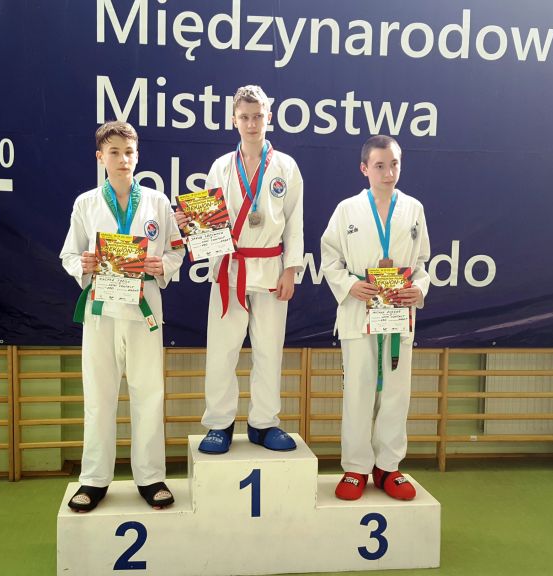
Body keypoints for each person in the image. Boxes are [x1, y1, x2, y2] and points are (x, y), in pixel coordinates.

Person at [60, 121, 184, 512]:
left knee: (149, 394)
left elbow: (177, 250)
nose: (122, 159)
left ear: (138, 155)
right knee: (98, 396)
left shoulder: (158, 203)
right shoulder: (86, 203)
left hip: (144, 310)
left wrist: (161, 265)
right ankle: (94, 479)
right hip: (101, 311)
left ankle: (151, 477)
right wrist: (83, 264)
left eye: (129, 152)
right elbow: (68, 255)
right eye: (114, 152)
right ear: (101, 157)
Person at [179, 85, 304, 454]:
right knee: (222, 350)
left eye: (258, 116)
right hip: (229, 268)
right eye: (245, 117)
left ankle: (264, 424)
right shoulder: (221, 167)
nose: (252, 123)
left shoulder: (286, 167)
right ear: (234, 120)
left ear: (269, 117)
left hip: (271, 267)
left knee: (269, 350)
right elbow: (210, 224)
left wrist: (291, 269)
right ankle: (219, 424)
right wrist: (192, 227)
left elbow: (295, 222)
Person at [320, 135, 430, 501]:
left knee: (397, 393)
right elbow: (330, 259)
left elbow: (422, 264)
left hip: (398, 311)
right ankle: (355, 467)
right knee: (358, 390)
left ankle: (388, 467)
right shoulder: (347, 210)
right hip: (359, 310)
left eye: (394, 164)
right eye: (380, 166)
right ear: (364, 168)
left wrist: (419, 289)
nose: (388, 173)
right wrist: (349, 285)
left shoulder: (413, 208)